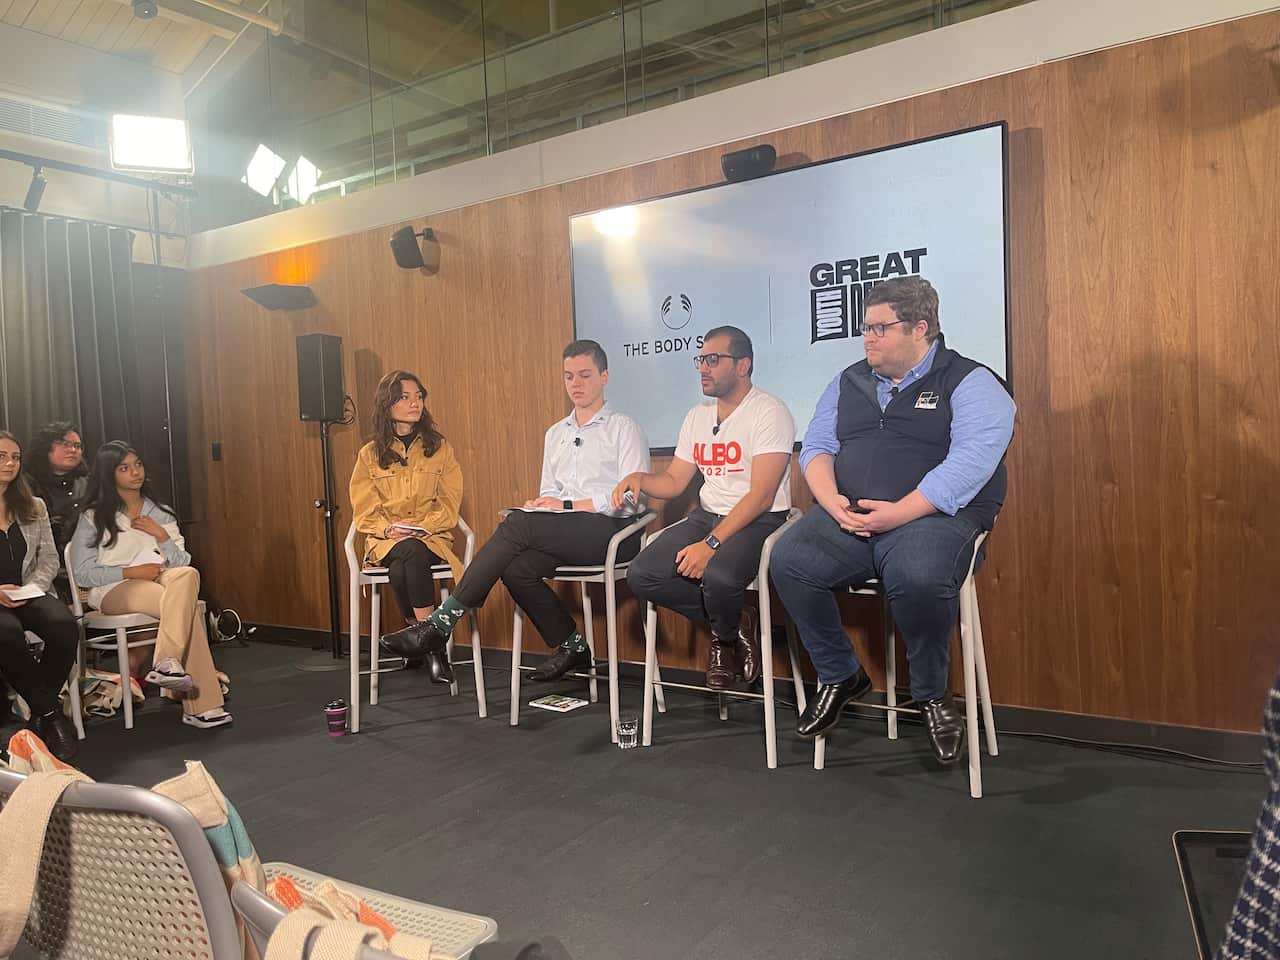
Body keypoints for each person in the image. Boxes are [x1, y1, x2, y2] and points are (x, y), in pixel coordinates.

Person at [769, 276, 1015, 765]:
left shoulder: (971, 382)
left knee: (918, 576)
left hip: (935, 518)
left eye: (880, 328)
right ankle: (840, 674)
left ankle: (931, 695)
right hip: (854, 511)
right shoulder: (850, 380)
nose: (868, 338)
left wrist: (898, 514)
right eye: (865, 327)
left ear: (920, 328)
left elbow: (968, 465)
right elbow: (817, 447)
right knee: (789, 560)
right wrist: (831, 499)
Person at [379, 341, 650, 683]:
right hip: (569, 531)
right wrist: (542, 504)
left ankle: (440, 623)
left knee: (518, 525)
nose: (576, 384)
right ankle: (573, 646)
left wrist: (565, 506)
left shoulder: (624, 428)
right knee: (515, 565)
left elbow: (631, 500)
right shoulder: (557, 434)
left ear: (605, 376)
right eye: (568, 376)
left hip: (614, 533)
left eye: (585, 375)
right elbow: (551, 491)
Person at [615, 326, 795, 690]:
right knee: (642, 574)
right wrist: (640, 477)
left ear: (743, 365)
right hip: (707, 515)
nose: (703, 368)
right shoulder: (697, 415)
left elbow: (761, 496)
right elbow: (676, 482)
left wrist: (710, 545)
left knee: (721, 577)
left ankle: (722, 641)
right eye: (701, 360)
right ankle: (734, 625)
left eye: (714, 360)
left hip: (758, 520)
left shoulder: (769, 412)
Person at [70, 441, 232, 729]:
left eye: (138, 464)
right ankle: (199, 702)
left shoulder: (160, 511)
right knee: (188, 609)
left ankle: (166, 662)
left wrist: (162, 537)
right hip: (115, 588)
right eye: (125, 468)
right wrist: (131, 572)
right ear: (109, 474)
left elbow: (182, 561)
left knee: (188, 575)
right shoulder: (94, 516)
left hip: (164, 577)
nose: (135, 472)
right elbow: (83, 573)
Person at [349, 370, 464, 685]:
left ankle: (421, 640)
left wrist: (422, 527)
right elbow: (364, 509)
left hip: (431, 538)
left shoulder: (440, 448)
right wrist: (387, 530)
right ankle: (434, 646)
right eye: (404, 397)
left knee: (406, 561)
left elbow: (449, 503)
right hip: (387, 540)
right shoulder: (370, 454)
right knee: (405, 554)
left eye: (419, 396)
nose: (415, 403)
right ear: (387, 405)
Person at [0, 431, 80, 760]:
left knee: (64, 624)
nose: (9, 463)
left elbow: (49, 558)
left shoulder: (34, 506)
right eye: (2, 455)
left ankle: (37, 709)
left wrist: (31, 588)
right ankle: (50, 715)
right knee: (6, 632)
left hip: (27, 591)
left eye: (15, 457)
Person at [25, 421, 89, 601]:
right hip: (46, 568)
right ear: (45, 448)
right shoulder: (27, 485)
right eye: (65, 444)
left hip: (86, 561)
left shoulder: (89, 483)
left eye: (77, 446)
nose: (73, 450)